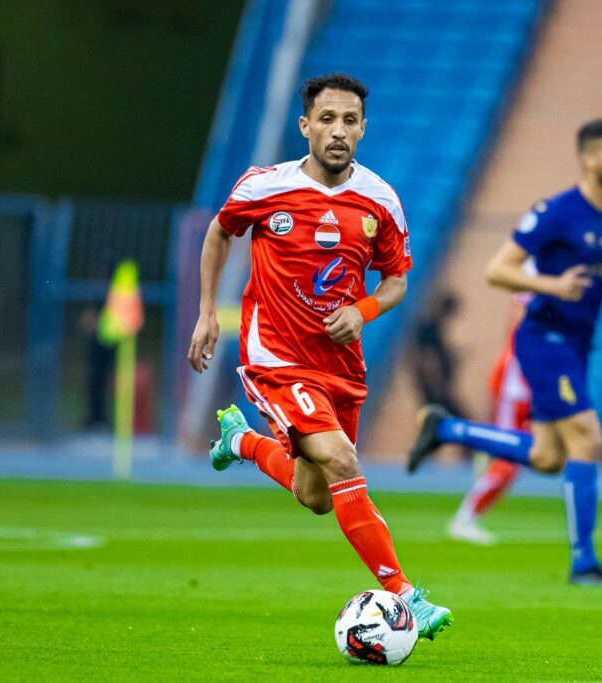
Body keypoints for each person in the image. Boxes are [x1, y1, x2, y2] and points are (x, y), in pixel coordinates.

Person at [187, 73, 452, 639]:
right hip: (277, 357)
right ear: (305, 126)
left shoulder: (380, 199)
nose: (338, 131)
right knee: (342, 461)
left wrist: (362, 310)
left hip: (341, 367)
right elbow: (219, 232)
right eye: (327, 119)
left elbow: (396, 281)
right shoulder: (264, 186)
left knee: (317, 496)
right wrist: (208, 312)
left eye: (349, 121)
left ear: (363, 129)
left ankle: (241, 442)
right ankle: (405, 594)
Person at [407, 119, 602, 587]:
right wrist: (552, 285)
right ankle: (584, 564)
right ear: (589, 158)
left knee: (547, 457)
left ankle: (447, 429)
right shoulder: (556, 213)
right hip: (544, 339)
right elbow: (498, 270)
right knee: (588, 440)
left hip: (578, 343)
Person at [446, 297, 529, 545]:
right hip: (515, 386)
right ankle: (465, 517)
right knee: (508, 458)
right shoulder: (536, 287)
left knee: (517, 457)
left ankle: (469, 516)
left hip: (524, 385)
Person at [411, 290, 467, 419]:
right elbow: (426, 360)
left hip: (437, 386)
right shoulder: (429, 329)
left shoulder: (433, 327)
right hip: (436, 387)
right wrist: (436, 383)